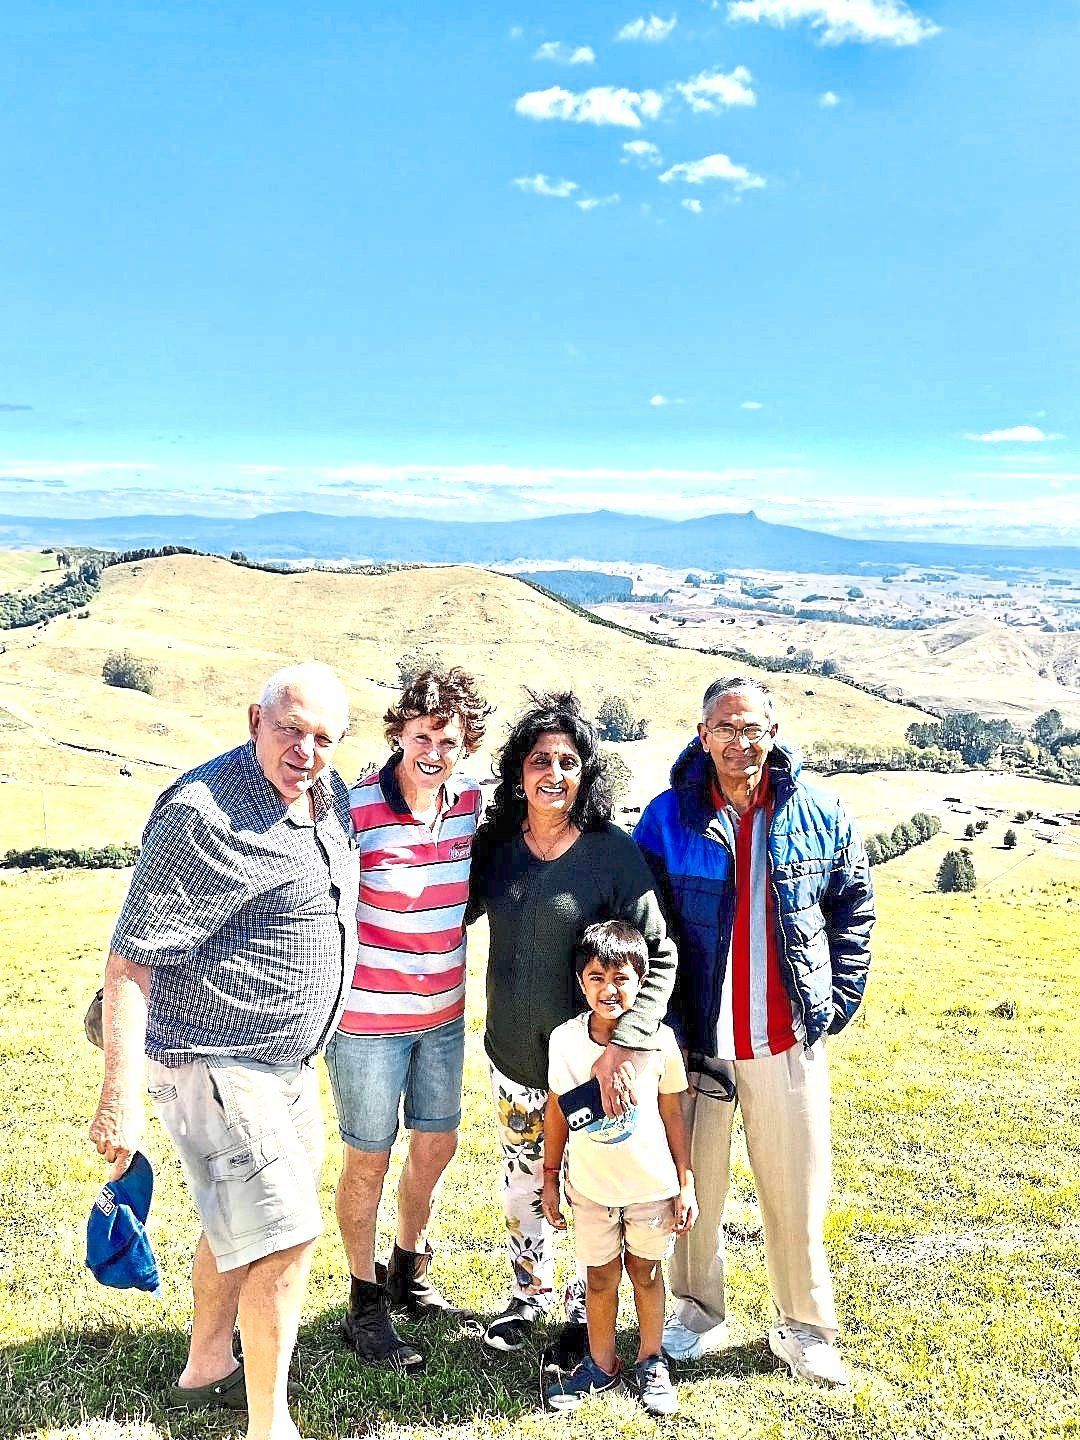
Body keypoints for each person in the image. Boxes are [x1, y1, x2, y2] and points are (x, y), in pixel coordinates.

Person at [88, 661, 358, 1440]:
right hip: (215, 1059)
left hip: (286, 1064)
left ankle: (207, 1367)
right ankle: (270, 1426)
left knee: (238, 1222)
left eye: (322, 739)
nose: (305, 751)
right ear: (253, 720)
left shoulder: (324, 794)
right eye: (290, 730)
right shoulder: (202, 813)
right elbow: (130, 961)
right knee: (287, 1233)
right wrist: (119, 1098)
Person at [634, 675, 875, 1389]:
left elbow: (853, 907)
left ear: (773, 733)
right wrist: (663, 1027)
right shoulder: (667, 818)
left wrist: (834, 1002)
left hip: (784, 1039)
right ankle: (696, 1312)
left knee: (796, 1190)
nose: (741, 743)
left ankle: (805, 1329)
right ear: (702, 733)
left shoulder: (818, 813)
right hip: (697, 1043)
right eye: (726, 728)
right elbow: (644, 928)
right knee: (690, 1187)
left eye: (754, 729)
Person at [467, 691, 677, 1360]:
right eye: (538, 760)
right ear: (517, 772)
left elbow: (660, 951)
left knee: (584, 1182)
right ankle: (529, 1297)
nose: (552, 773)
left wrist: (626, 1044)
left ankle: (580, 1317)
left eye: (567, 760)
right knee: (526, 1179)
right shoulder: (497, 847)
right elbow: (447, 908)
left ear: (585, 773)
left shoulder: (611, 854)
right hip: (513, 1060)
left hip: (590, 1069)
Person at [328, 667, 490, 1372]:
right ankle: (364, 1303)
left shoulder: (471, 807)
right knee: (369, 1158)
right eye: (422, 735)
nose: (434, 751)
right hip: (366, 1022)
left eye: (449, 741)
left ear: (466, 745)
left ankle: (407, 1269)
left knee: (437, 1146)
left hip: (444, 1016)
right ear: (398, 732)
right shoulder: (354, 806)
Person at [542, 921, 697, 1416]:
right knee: (600, 1278)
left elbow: (674, 1111)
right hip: (590, 1190)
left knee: (646, 1274)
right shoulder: (565, 1042)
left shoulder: (660, 1042)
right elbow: (557, 1110)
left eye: (622, 978)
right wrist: (549, 1178)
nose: (610, 989)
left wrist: (685, 1180)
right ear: (580, 982)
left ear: (643, 978)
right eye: (596, 976)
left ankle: (652, 1361)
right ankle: (600, 1362)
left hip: (650, 1188)